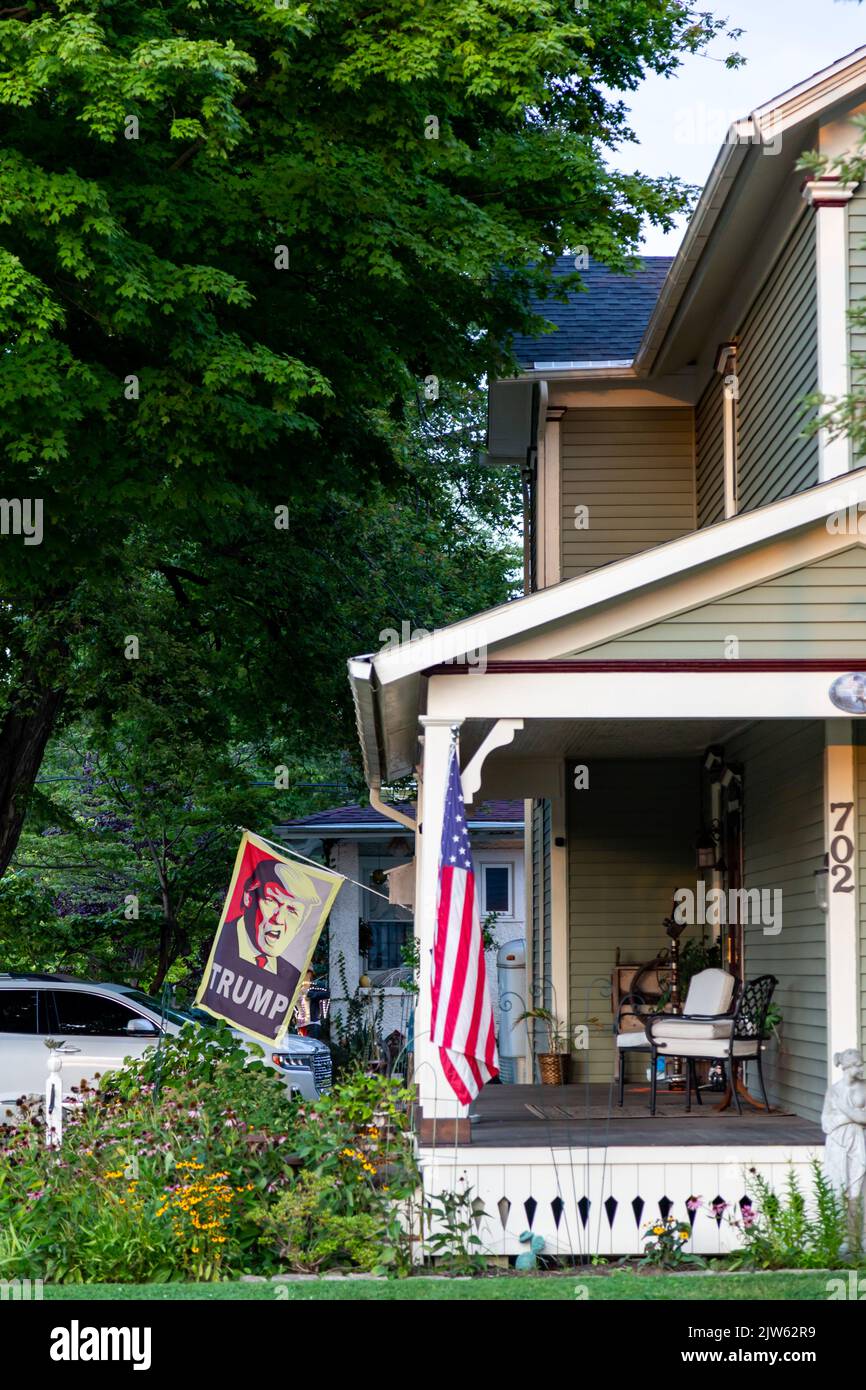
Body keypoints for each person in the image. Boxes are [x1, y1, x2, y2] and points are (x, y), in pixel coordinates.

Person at [822, 1048, 866, 1248]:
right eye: (858, 1065)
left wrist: (845, 1111)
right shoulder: (834, 1091)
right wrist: (851, 1115)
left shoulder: (864, 1088)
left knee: (858, 1189)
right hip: (838, 1142)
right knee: (838, 1188)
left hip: (858, 1141)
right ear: (847, 1067)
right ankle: (842, 1241)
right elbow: (826, 1124)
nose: (861, 1068)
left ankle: (859, 1239)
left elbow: (864, 1118)